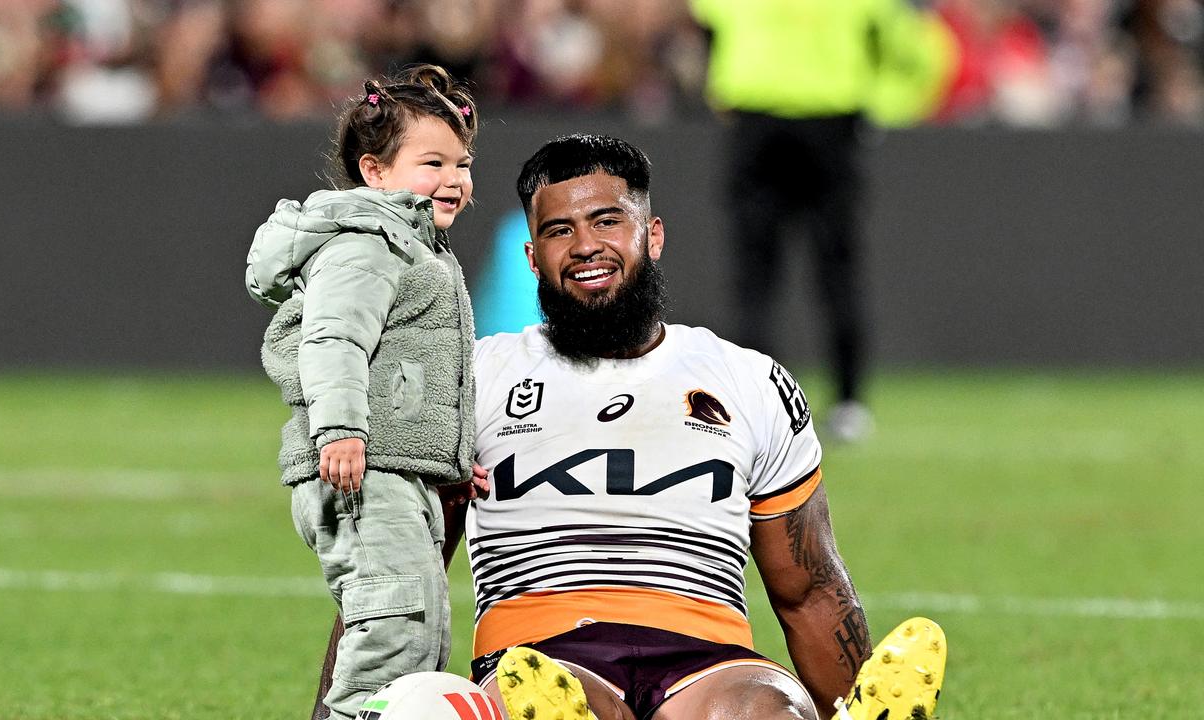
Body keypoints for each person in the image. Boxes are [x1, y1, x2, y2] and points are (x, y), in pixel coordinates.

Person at [309, 135, 945, 720]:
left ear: (654, 235)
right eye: (560, 230)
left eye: (608, 220)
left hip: (710, 660)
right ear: (532, 256)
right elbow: (395, 578)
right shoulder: (470, 379)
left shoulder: (749, 380)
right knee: (543, 703)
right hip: (543, 655)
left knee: (771, 709)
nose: (586, 245)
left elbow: (810, 590)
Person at [244, 64, 480, 720]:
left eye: (462, 163)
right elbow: (332, 342)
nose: (455, 179)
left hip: (398, 472)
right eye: (432, 162)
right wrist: (340, 428)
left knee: (420, 630)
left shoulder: (417, 248)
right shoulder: (365, 246)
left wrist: (455, 457)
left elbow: (416, 373)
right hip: (362, 470)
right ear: (374, 172)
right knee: (392, 624)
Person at [689, 0, 955, 442]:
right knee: (835, 270)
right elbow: (926, 51)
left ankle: (760, 409)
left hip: (758, 125)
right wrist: (883, 106)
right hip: (829, 127)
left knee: (758, 278)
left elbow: (705, 28)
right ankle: (848, 404)